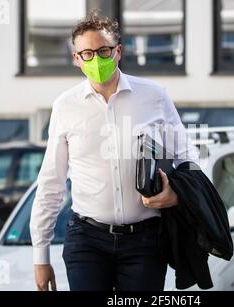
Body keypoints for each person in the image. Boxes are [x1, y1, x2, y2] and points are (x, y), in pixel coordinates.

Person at [29, 12, 198, 291]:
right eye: (87, 53)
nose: (96, 59)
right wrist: (40, 257)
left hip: (145, 242)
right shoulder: (65, 106)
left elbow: (188, 156)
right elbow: (51, 182)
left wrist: (178, 194)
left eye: (103, 51)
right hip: (87, 241)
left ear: (117, 51)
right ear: (76, 59)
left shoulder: (154, 95)